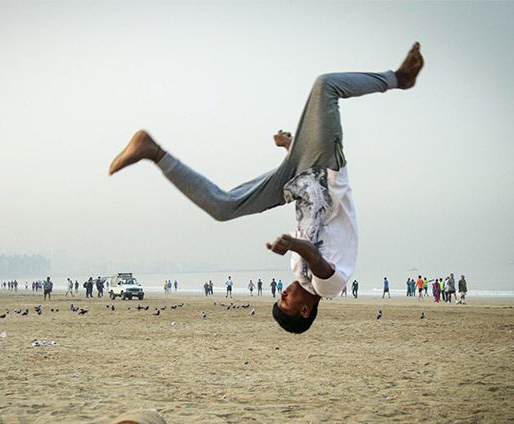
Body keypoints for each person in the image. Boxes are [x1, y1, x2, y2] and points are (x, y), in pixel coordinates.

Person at [108, 43, 423, 333]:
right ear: (304, 311)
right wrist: (291, 243)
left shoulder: (294, 270)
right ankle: (399, 78)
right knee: (326, 86)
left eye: (279, 298)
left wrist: (291, 149)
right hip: (324, 171)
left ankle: (153, 151)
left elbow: (307, 217)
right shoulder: (330, 287)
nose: (283, 293)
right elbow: (314, 254)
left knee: (223, 207)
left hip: (295, 182)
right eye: (286, 301)